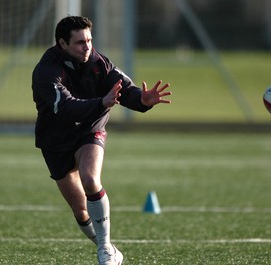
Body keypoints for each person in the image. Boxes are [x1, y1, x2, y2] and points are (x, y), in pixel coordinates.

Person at [32, 16, 171, 265]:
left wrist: (141, 100)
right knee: (79, 209)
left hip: (89, 129)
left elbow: (124, 89)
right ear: (62, 43)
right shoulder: (46, 71)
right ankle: (109, 249)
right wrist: (102, 102)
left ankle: (104, 250)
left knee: (90, 179)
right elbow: (66, 108)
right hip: (55, 139)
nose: (87, 47)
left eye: (89, 40)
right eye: (79, 43)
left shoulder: (99, 62)